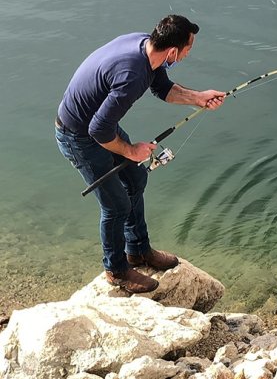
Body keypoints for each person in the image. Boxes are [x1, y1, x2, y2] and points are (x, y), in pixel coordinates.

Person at [55, 15, 225, 293]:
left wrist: (198, 98)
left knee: (135, 180)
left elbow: (162, 89)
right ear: (173, 51)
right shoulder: (132, 74)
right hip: (78, 136)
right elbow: (99, 130)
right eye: (188, 50)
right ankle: (116, 269)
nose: (187, 55)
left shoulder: (145, 47)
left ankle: (138, 250)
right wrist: (132, 150)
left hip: (95, 125)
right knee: (116, 205)